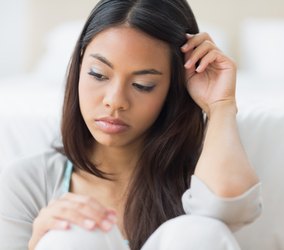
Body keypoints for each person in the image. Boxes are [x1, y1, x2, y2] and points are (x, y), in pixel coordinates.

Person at [0, 0, 262, 249]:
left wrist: (221, 105)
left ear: (173, 88)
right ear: (79, 68)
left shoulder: (203, 177)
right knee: (70, 236)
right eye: (98, 74)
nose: (115, 102)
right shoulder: (27, 183)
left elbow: (226, 207)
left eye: (142, 85)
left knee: (200, 232)